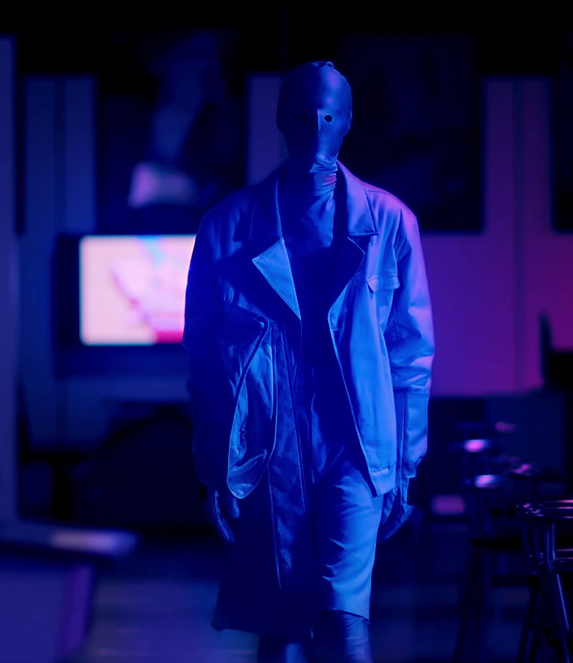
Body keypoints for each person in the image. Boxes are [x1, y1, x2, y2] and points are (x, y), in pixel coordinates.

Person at [183, 60, 435, 663]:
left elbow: (410, 353)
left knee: (345, 615)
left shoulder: (390, 222)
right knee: (280, 621)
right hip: (270, 446)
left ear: (348, 121)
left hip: (355, 443)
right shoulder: (226, 226)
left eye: (328, 114)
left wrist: (405, 462)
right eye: (302, 113)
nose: (315, 126)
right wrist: (216, 466)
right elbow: (205, 361)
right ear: (279, 119)